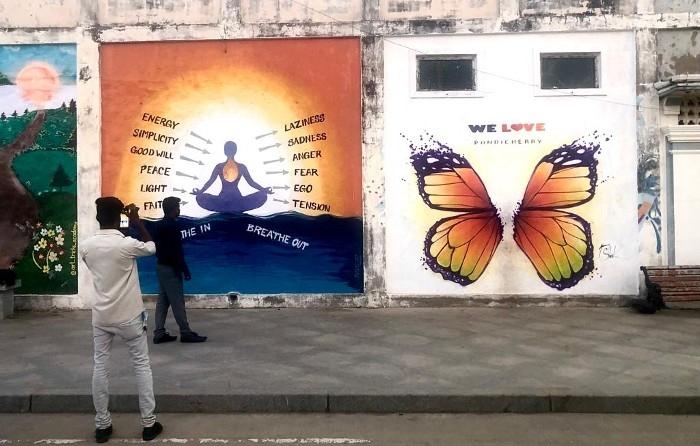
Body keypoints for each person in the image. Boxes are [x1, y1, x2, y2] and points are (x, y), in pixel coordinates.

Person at [80, 197, 163, 443]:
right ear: (120, 218)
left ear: (97, 217)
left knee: (100, 366)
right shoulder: (127, 245)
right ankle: (148, 424)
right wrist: (137, 221)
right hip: (129, 317)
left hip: (101, 317)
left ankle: (102, 426)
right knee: (141, 366)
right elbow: (151, 247)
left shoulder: (86, 246)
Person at [153, 196, 207, 344]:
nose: (179, 209)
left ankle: (159, 332)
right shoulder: (173, 226)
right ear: (173, 209)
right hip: (171, 268)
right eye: (177, 206)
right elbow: (176, 251)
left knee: (163, 300)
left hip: (160, 266)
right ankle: (185, 332)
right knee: (177, 301)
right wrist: (185, 270)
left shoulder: (159, 225)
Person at [192, 140, 272, 213]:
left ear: (225, 152)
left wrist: (200, 192)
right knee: (262, 195)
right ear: (235, 151)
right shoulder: (240, 167)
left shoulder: (220, 166)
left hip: (226, 199)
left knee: (200, 197)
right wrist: (263, 189)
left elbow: (210, 181)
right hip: (233, 199)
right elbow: (251, 183)